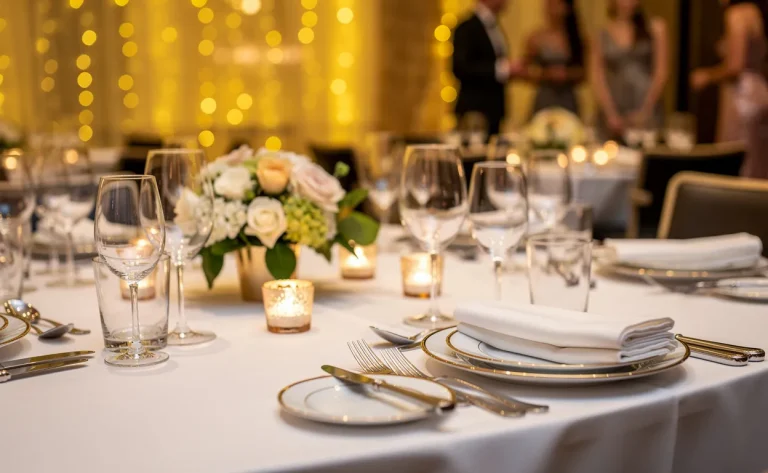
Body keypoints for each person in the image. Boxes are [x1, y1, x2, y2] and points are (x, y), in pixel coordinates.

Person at [691, 0, 768, 179]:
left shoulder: (735, 15)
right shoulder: (755, 12)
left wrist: (707, 76)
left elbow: (735, 66)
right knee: (758, 161)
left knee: (736, 161)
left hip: (742, 96)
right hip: (759, 90)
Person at [590, 0, 669, 141]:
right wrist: (610, 114)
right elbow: (597, 75)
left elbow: (661, 72)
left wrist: (645, 111)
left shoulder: (655, 27)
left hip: (647, 105)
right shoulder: (601, 33)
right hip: (613, 109)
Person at [452, 0, 519, 137]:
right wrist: (502, 69)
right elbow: (460, 68)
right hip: (474, 112)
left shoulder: (495, 27)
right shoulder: (466, 28)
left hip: (494, 110)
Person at [520, 0, 584, 118]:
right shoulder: (536, 38)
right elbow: (524, 70)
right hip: (545, 98)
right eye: (549, 4)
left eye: (556, 4)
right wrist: (546, 74)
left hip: (568, 99)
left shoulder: (576, 39)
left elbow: (584, 73)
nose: (552, 9)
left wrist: (567, 74)